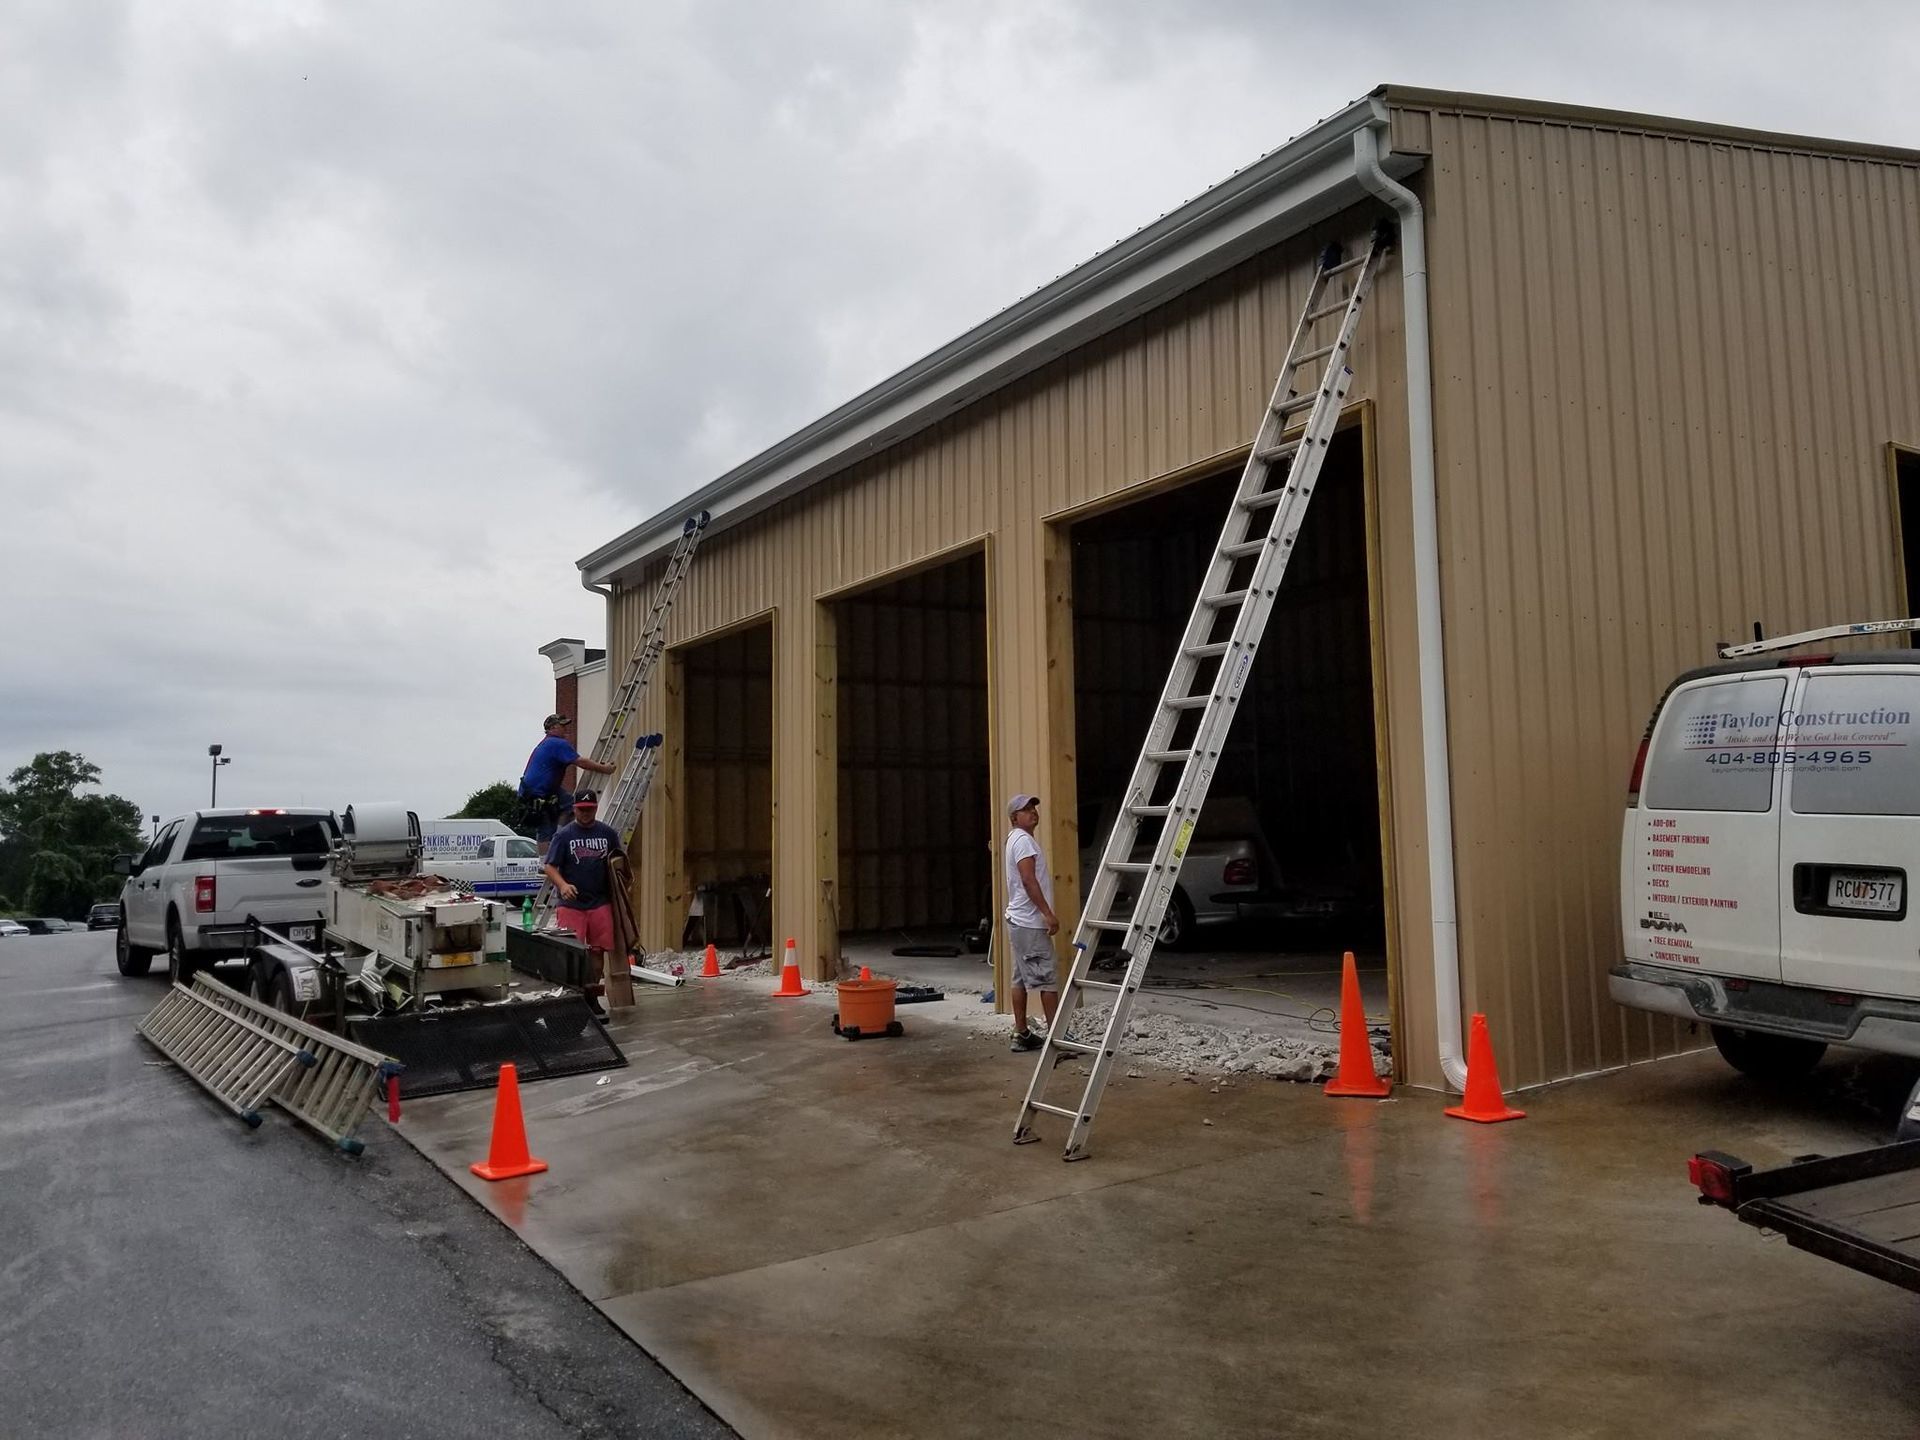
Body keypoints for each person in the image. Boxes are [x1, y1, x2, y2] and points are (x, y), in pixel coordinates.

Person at [543, 789, 624, 1017]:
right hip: (572, 905)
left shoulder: (607, 834)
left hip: (600, 902)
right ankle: (573, 999)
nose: (585, 813)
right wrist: (563, 885)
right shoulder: (564, 835)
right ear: (574, 809)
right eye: (581, 809)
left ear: (596, 808)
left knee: (598, 953)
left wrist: (620, 889)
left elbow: (618, 862)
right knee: (573, 953)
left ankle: (591, 999)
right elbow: (549, 865)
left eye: (589, 809)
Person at [1003, 792, 1060, 1052]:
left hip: (1019, 921)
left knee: (1020, 978)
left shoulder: (1015, 839)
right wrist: (1047, 913)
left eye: (1034, 808)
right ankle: (1058, 1036)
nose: (1033, 812)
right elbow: (1028, 880)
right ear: (1015, 817)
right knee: (1046, 978)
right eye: (1026, 810)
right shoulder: (1023, 842)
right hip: (1029, 922)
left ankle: (1022, 1033)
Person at [518, 714, 615, 840]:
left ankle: (559, 837)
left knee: (570, 805)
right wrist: (604, 768)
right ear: (553, 728)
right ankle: (551, 851)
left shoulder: (547, 742)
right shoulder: (557, 743)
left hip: (538, 790)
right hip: (539, 793)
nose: (566, 728)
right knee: (546, 828)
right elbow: (581, 762)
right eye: (562, 725)